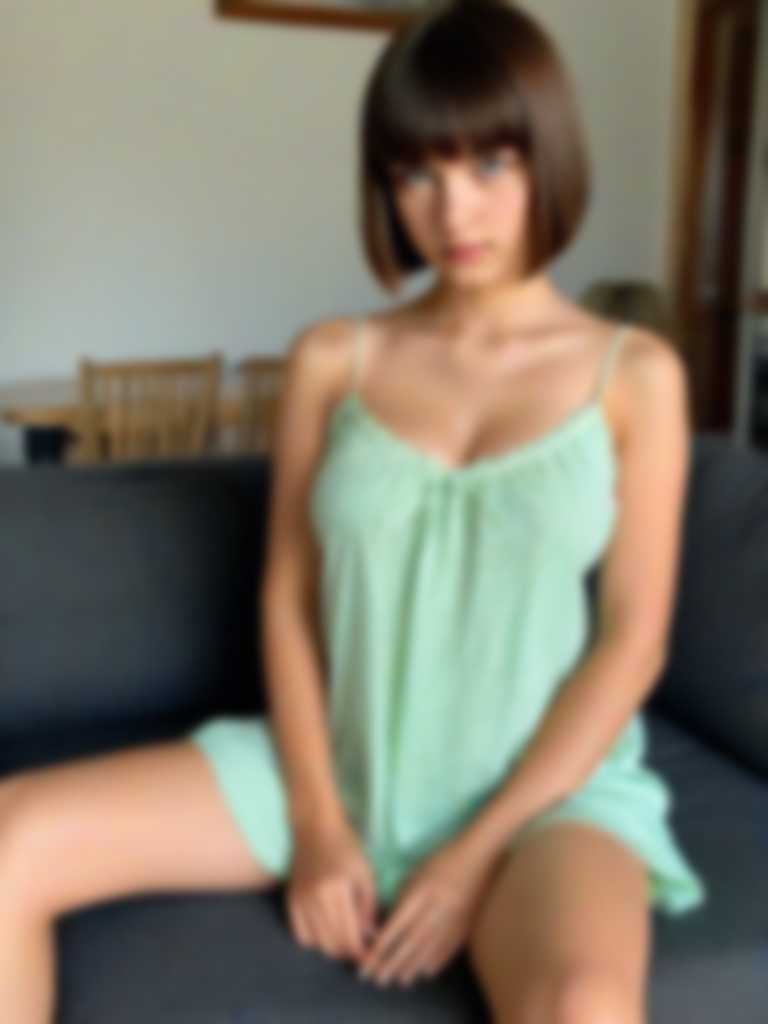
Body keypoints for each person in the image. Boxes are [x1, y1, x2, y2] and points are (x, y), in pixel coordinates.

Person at [0, 1, 707, 1020]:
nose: (454, 212)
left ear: (547, 156)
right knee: (14, 837)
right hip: (340, 760)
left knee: (585, 1005)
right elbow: (288, 600)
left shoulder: (635, 375)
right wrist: (321, 823)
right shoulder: (335, 360)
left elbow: (633, 645)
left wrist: (471, 856)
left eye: (490, 165)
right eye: (418, 173)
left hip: (541, 798)